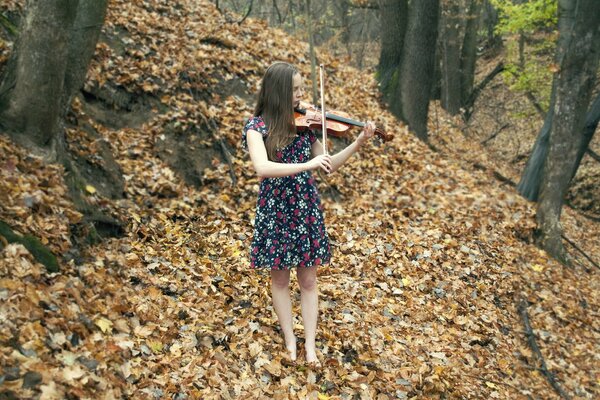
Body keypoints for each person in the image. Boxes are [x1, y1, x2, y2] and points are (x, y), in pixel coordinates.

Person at [242, 61, 375, 365]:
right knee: (279, 280)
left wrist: (357, 142)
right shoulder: (257, 126)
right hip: (275, 209)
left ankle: (310, 346)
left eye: (303, 88)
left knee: (309, 281)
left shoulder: (305, 126)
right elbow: (262, 168)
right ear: (278, 92)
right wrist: (307, 166)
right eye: (296, 90)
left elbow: (328, 165)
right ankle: (290, 341)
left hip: (305, 208)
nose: (302, 95)